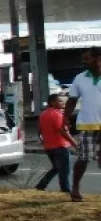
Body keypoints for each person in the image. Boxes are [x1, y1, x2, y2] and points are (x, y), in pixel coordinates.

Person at [63, 47, 101, 202]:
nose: (84, 62)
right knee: (83, 158)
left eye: (87, 58)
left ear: (98, 58)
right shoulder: (80, 78)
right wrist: (64, 118)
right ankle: (75, 189)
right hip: (87, 125)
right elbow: (72, 100)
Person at [36, 94, 76, 193]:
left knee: (56, 168)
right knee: (64, 170)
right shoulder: (57, 114)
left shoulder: (43, 114)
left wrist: (44, 141)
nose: (63, 103)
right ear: (53, 102)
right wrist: (75, 143)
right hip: (60, 146)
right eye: (60, 101)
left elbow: (40, 131)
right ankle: (65, 190)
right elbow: (63, 131)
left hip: (49, 147)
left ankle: (41, 185)